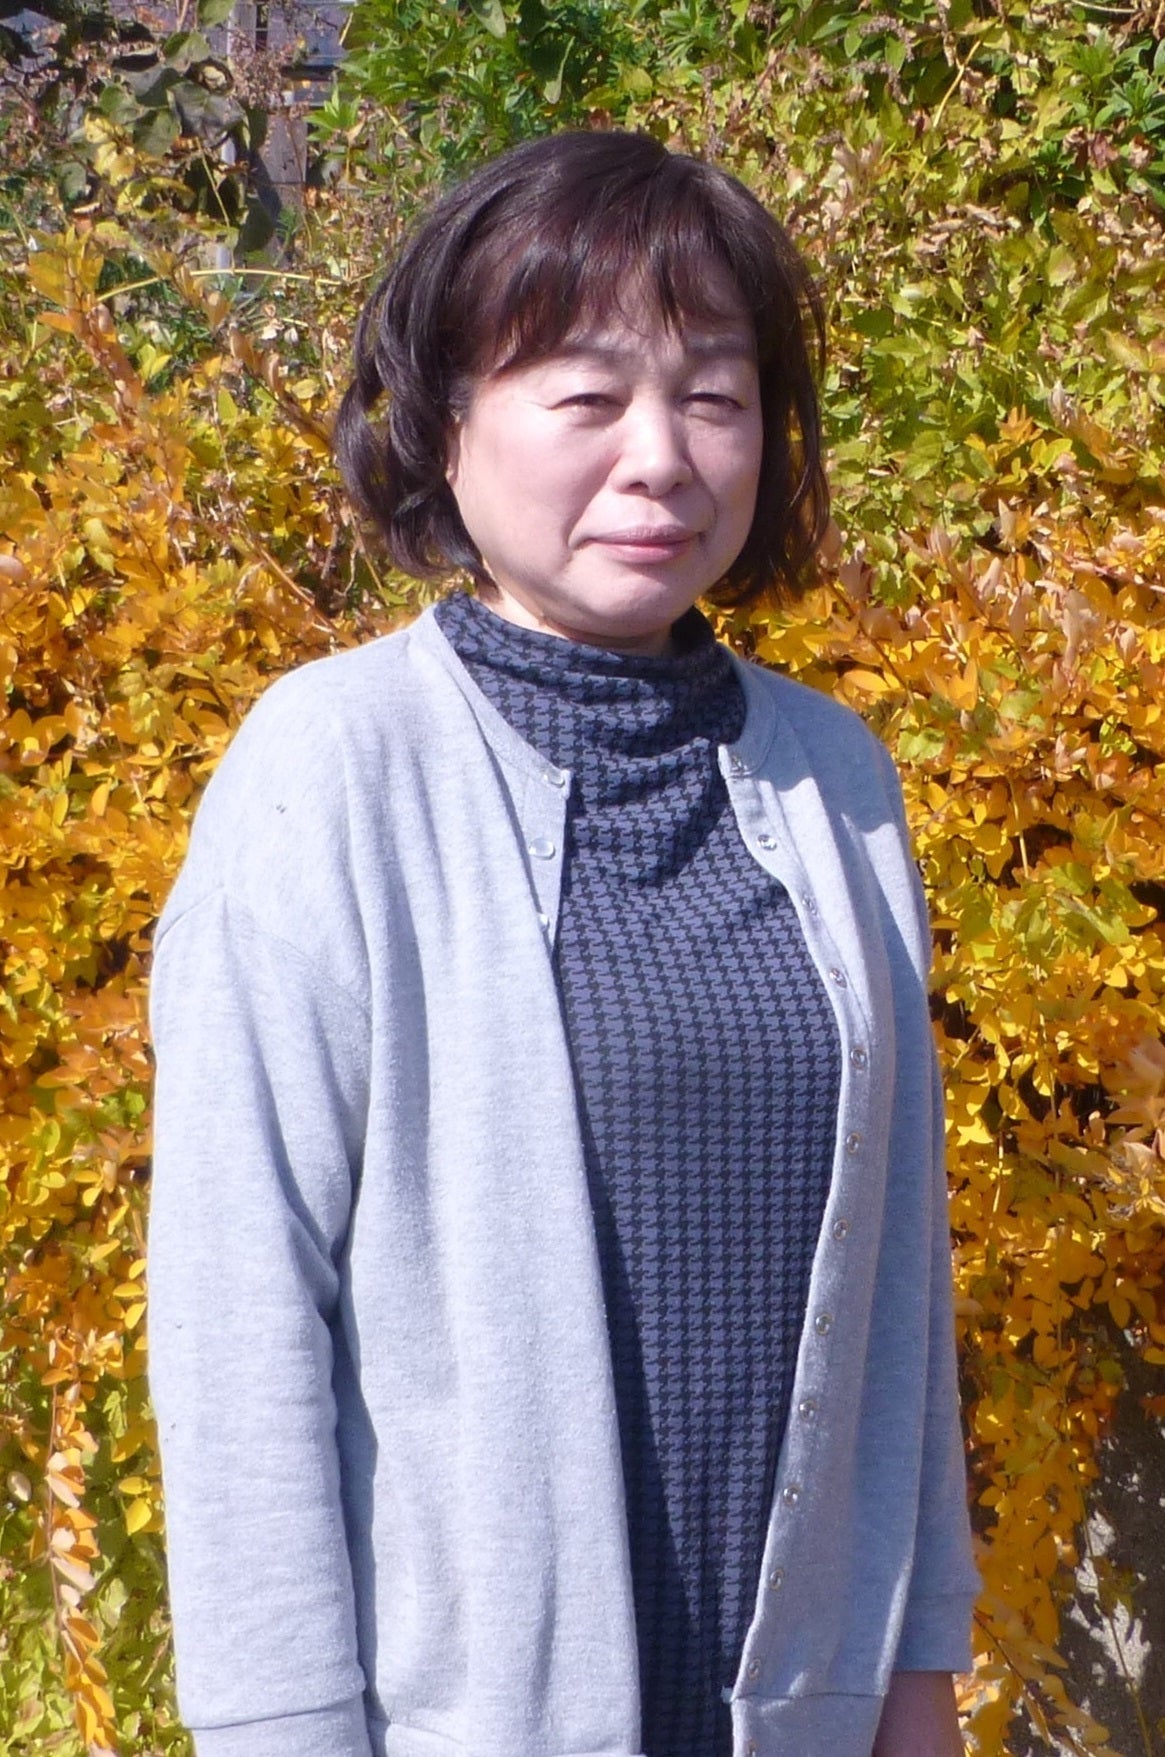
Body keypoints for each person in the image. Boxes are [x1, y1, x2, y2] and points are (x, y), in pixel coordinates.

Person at [146, 129, 981, 1757]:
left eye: (715, 395)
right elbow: (238, 1314)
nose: (660, 456)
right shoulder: (334, 767)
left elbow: (897, 1290)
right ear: (443, 420)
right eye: (587, 395)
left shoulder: (834, 779)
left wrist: (913, 1675)